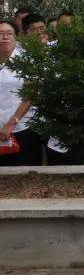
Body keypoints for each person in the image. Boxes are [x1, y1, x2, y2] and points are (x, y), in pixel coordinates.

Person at [0, 19, 38, 167]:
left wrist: (11, 124)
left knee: (23, 176)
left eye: (9, 33)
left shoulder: (27, 60)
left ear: (16, 37)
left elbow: (30, 94)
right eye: (1, 33)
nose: (5, 37)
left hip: (22, 128)